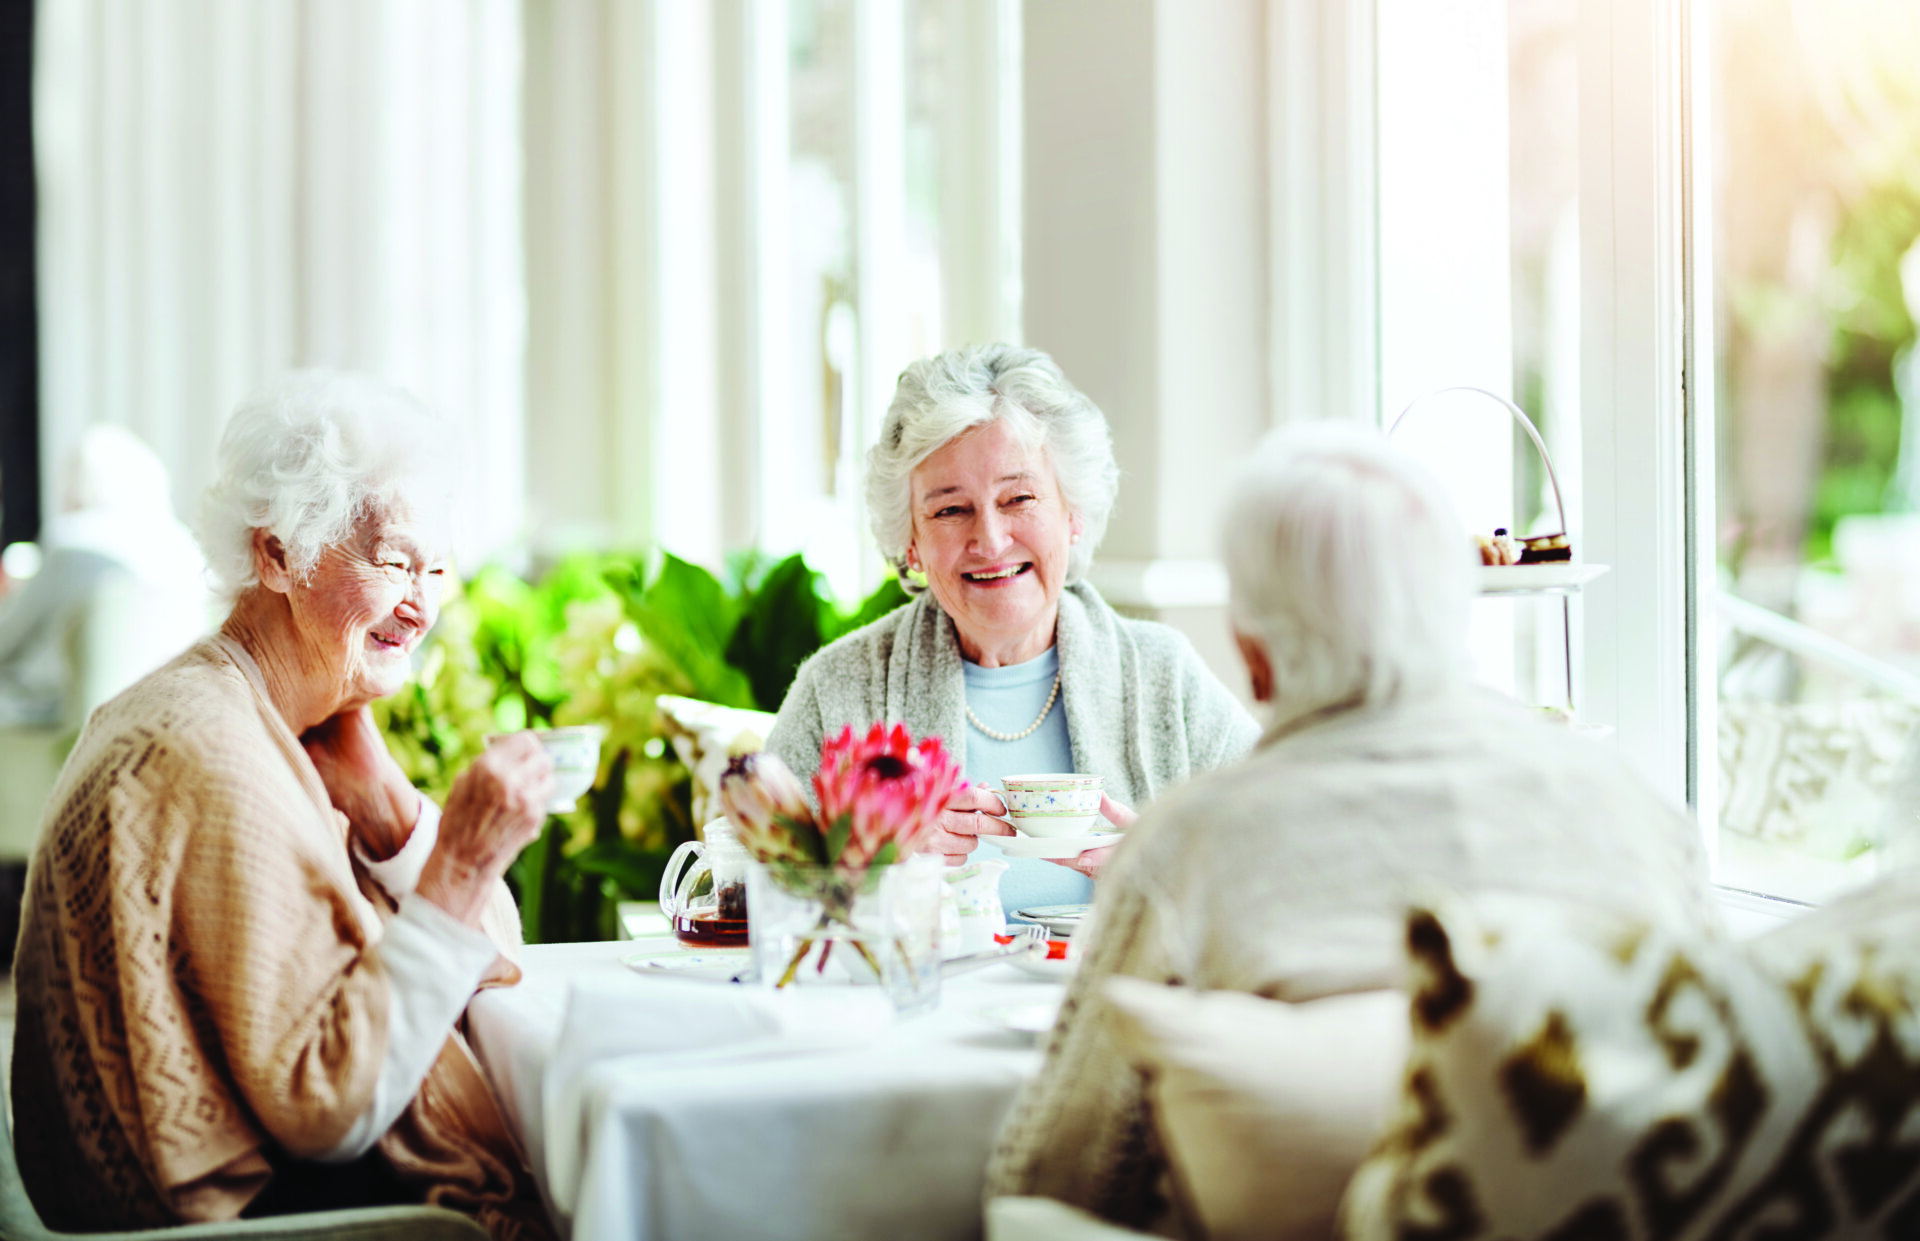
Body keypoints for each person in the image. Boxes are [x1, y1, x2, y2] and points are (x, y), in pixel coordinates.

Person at [984, 422, 1714, 1231]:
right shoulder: (1635, 807)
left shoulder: (1191, 845)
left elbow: (1063, 1171)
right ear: (1454, 607)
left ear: (1252, 652)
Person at [11, 373, 555, 1239]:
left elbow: (492, 956)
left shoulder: (284, 724)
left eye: (436, 568)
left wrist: (389, 815)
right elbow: (331, 1105)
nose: (422, 607)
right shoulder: (211, 751)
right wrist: (456, 865)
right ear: (276, 557)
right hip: (239, 1221)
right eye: (392, 562)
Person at [766, 345, 1259, 917]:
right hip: (917, 1005)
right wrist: (870, 869)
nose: (992, 540)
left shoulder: (1162, 676)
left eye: (1019, 497)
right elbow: (749, 891)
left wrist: (1172, 868)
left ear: (1071, 513)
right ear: (911, 543)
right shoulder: (840, 687)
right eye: (951, 510)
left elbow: (1284, 847)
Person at [0, 424, 207, 726]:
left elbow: (9, 643)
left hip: (73, 723)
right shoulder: (186, 547)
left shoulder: (71, 540)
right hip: (176, 717)